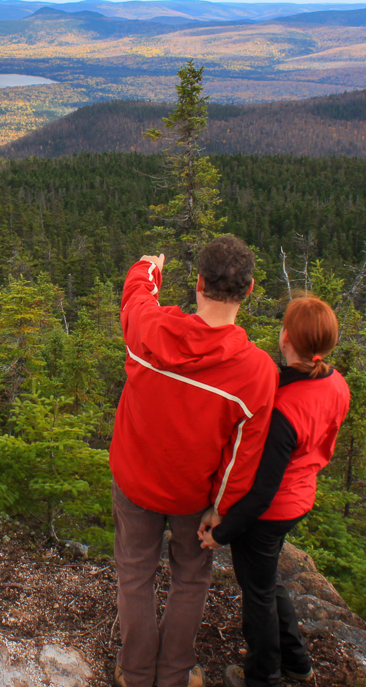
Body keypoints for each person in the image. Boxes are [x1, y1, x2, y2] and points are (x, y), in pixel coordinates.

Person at [111, 236, 279, 687]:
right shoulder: (257, 371)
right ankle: (175, 674)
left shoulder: (151, 331)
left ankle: (135, 673)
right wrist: (221, 509)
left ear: (199, 283)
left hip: (135, 481)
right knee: (190, 579)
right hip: (194, 497)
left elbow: (136, 295)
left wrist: (149, 265)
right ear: (249, 289)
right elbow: (241, 457)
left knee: (134, 573)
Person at [198, 293, 351, 687]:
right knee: (266, 580)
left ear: (285, 338)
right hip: (299, 498)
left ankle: (263, 677)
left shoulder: (283, 407)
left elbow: (263, 490)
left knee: (258, 595)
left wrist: (223, 533)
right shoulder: (336, 384)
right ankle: (297, 663)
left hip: (270, 511)